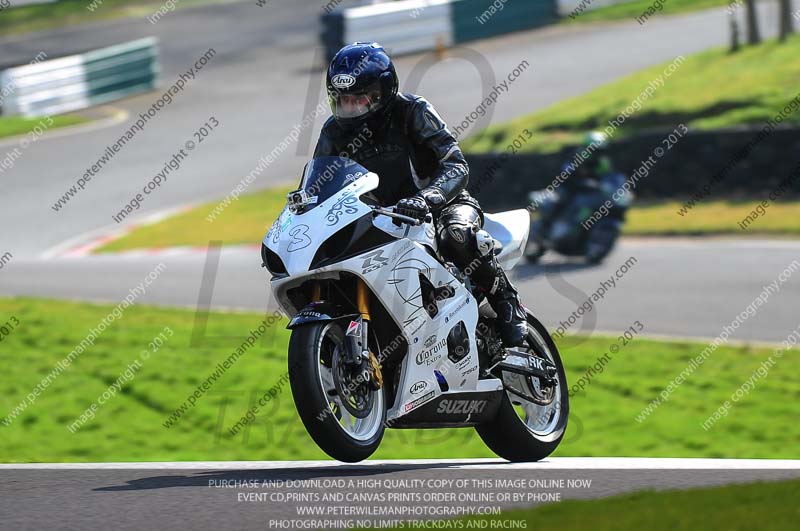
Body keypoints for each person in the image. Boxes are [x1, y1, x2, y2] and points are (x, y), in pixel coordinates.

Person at [313, 42, 527, 347]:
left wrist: (427, 197)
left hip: (441, 206)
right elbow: (318, 184)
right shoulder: (333, 132)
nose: (350, 109)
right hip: (382, 222)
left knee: (456, 236)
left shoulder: (412, 111)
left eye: (358, 100)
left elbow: (455, 165)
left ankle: (507, 303)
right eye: (343, 101)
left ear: (381, 93)